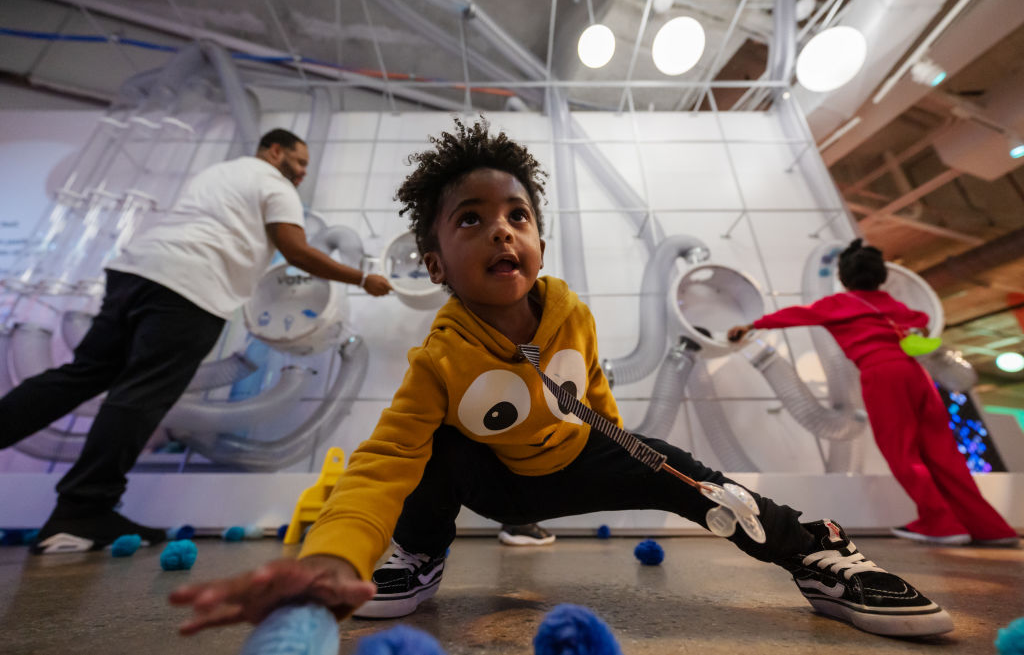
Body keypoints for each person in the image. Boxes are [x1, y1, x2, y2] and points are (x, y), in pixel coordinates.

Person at [170, 119, 955, 639]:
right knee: (431, 442)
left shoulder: (570, 309)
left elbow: (597, 398)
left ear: (539, 241)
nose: (500, 230)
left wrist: (633, 455)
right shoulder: (437, 359)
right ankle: (419, 552)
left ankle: (815, 555)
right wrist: (334, 561)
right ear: (435, 264)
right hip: (489, 479)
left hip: (571, 461)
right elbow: (379, 467)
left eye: (516, 215)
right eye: (470, 218)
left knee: (691, 473)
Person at [0, 128, 392, 555]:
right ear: (274, 151)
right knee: (143, 392)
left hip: (135, 272)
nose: (301, 173)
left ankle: (80, 501)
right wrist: (362, 279)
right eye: (298, 162)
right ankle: (82, 509)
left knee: (83, 375)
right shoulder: (275, 185)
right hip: (189, 287)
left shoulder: (218, 174)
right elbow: (296, 252)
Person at [727, 239, 1018, 548]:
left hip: (882, 374)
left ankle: (941, 523)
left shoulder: (837, 304)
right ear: (881, 276)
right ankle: (990, 528)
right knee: (945, 453)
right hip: (916, 375)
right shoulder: (894, 305)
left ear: (844, 277)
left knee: (902, 452)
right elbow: (921, 321)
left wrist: (751, 325)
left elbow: (796, 315)